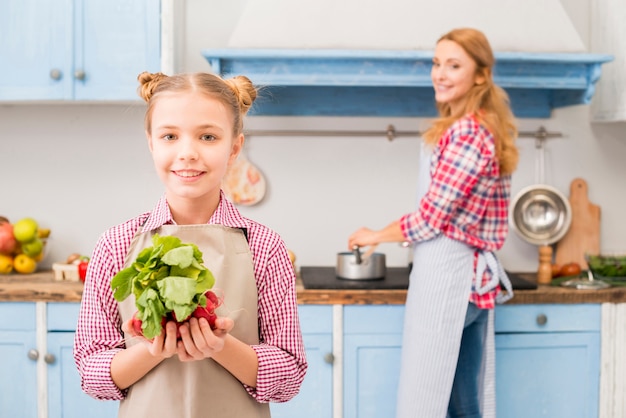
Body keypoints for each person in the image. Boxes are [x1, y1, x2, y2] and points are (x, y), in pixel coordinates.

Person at [73, 71, 307, 417]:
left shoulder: (265, 247)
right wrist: (153, 348)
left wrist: (220, 346)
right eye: (170, 136)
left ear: (234, 148)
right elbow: (92, 374)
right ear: (151, 143)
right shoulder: (115, 245)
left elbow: (288, 377)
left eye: (208, 137)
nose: (187, 153)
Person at [348, 28, 519, 418]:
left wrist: (378, 234)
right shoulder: (475, 126)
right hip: (469, 284)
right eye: (437, 63)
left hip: (453, 280)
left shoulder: (468, 133)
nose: (439, 74)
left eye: (453, 65)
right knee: (462, 402)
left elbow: (431, 217)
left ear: (480, 75)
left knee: (425, 399)